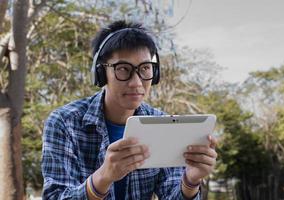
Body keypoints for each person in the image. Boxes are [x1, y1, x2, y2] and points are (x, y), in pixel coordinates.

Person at [41, 20, 218, 200]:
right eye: (123, 69)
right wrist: (102, 178)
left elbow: (172, 195)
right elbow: (55, 196)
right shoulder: (64, 122)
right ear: (101, 73)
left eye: (145, 69)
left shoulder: (162, 125)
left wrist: (190, 182)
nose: (136, 83)